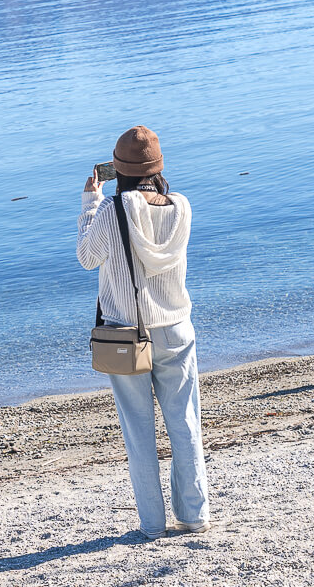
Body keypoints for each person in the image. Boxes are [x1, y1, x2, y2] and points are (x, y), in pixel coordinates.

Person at [77, 125, 210, 539]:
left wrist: (90, 202)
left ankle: (153, 526)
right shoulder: (181, 207)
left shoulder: (111, 211)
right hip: (176, 328)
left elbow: (86, 257)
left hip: (126, 337)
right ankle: (195, 516)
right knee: (185, 424)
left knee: (139, 432)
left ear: (118, 170)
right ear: (157, 168)